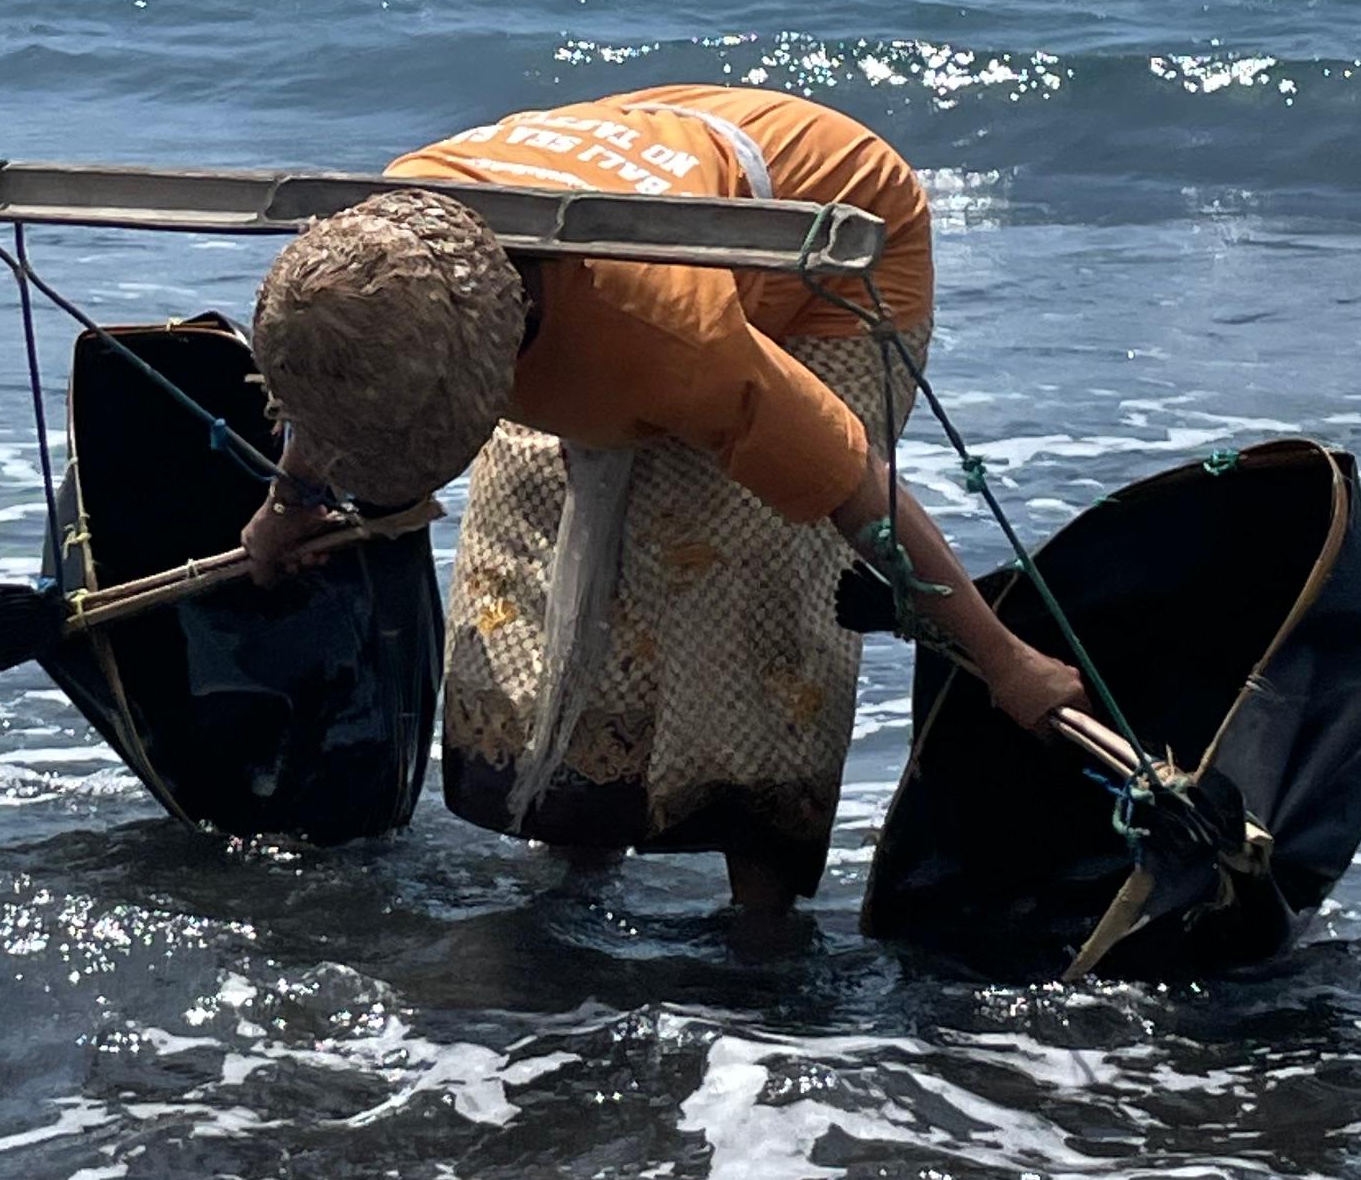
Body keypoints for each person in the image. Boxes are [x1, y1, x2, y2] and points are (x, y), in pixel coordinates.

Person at [238, 80, 1081, 913]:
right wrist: (289, 502)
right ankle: (577, 864)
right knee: (527, 554)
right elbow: (346, 376)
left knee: (743, 575)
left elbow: (850, 483)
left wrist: (1006, 660)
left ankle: (761, 930)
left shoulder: (673, 341)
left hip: (830, 231)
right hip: (662, 162)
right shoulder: (387, 251)